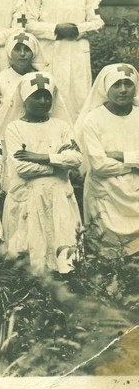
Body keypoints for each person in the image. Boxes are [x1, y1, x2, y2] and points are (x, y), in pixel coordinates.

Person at [0, 71, 82, 275]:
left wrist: (43, 157)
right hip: (27, 195)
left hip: (59, 194)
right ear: (24, 98)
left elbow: (77, 159)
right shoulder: (15, 128)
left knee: (63, 244)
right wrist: (59, 164)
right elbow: (23, 169)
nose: (43, 101)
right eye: (36, 96)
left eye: (47, 96)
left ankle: (66, 277)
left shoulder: (61, 126)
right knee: (31, 253)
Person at [26, 0, 104, 119]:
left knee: (78, 97)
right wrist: (56, 29)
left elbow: (97, 22)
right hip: (48, 52)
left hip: (76, 51)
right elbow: (29, 23)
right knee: (49, 95)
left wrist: (78, 29)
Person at [75, 63, 139, 257]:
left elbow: (107, 161)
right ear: (105, 87)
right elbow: (99, 165)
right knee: (107, 254)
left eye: (128, 84)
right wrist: (135, 165)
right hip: (104, 191)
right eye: (117, 85)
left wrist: (122, 155)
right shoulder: (93, 119)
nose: (123, 90)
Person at [0, 31, 47, 113]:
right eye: (17, 49)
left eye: (27, 49)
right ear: (9, 52)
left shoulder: (42, 78)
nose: (22, 54)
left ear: (34, 53)